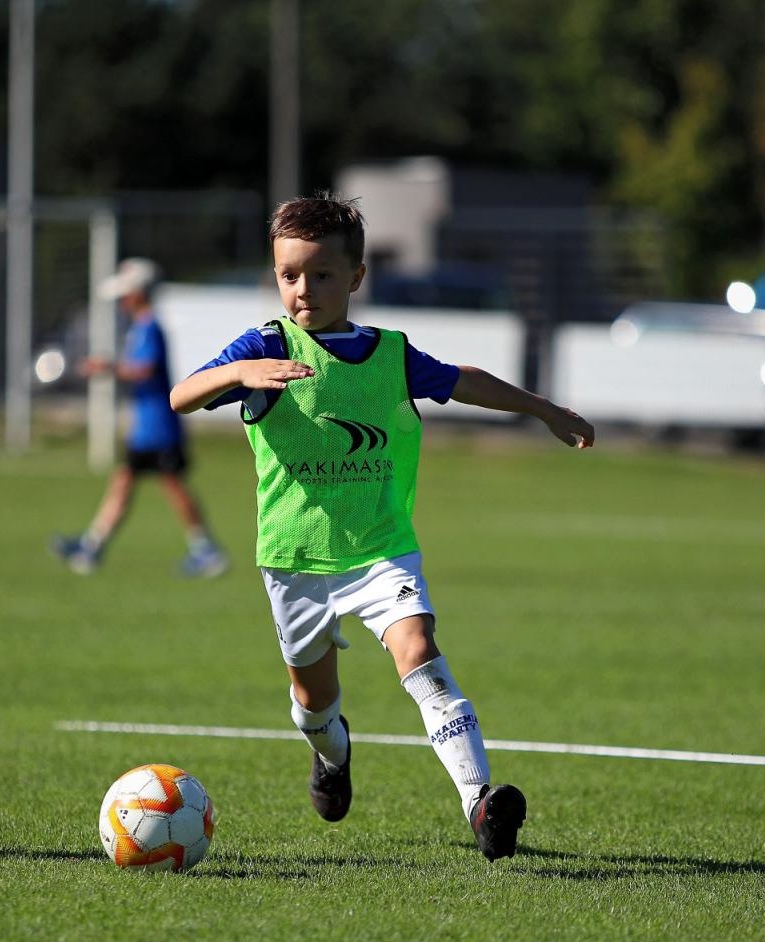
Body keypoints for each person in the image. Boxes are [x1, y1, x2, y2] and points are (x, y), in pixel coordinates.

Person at [169, 193, 594, 862]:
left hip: (380, 551)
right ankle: (332, 757)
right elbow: (181, 395)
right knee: (314, 705)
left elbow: (462, 381)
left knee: (419, 651)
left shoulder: (389, 354)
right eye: (289, 275)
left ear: (357, 278)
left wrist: (541, 409)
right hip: (294, 561)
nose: (303, 289)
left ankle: (480, 804)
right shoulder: (264, 347)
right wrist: (239, 373)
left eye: (322, 275)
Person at [51, 257, 228, 579]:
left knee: (172, 485)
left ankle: (206, 550)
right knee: (124, 482)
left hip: (159, 427)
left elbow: (144, 370)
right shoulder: (141, 327)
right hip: (146, 428)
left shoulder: (149, 328)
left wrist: (107, 367)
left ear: (138, 293)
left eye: (125, 293)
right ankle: (92, 547)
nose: (121, 300)